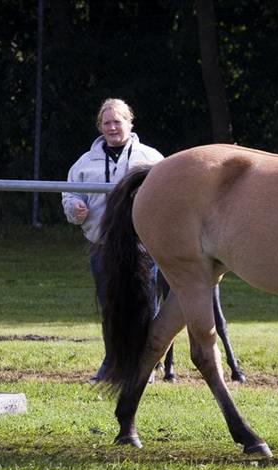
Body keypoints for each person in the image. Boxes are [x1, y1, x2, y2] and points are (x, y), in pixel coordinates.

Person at [62, 98, 163, 383]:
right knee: (109, 305)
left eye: (117, 121)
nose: (112, 127)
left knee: (146, 306)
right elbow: (69, 196)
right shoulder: (84, 163)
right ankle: (112, 363)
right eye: (106, 122)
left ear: (130, 123)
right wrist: (75, 209)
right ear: (100, 126)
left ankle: (146, 365)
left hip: (143, 246)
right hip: (103, 246)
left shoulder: (152, 158)